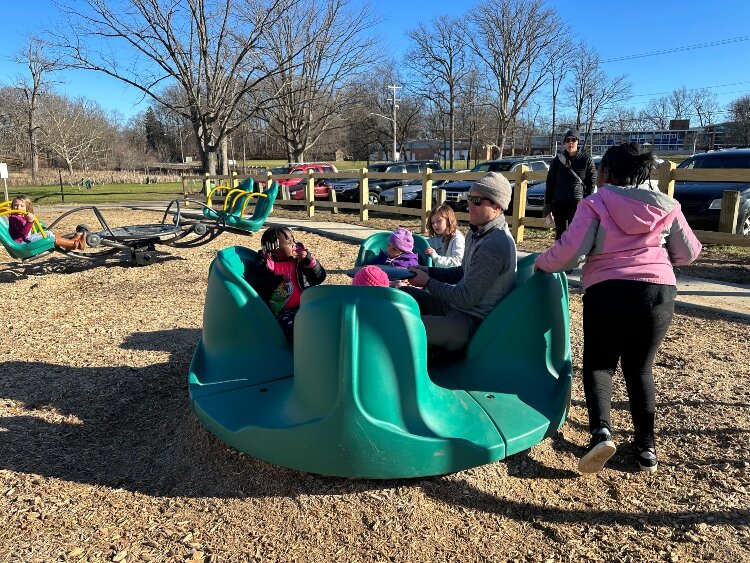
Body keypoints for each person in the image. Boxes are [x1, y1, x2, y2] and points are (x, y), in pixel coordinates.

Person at [535, 143, 702, 474]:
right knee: (640, 369)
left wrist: (541, 264)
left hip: (607, 289)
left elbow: (571, 251)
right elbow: (688, 253)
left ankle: (601, 432)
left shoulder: (595, 203)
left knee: (600, 364)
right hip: (657, 292)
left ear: (607, 173)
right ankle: (646, 449)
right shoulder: (668, 206)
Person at [402, 172, 517, 351]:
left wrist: (427, 282)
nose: (470, 206)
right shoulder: (477, 231)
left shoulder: (495, 244)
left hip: (471, 322)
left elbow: (466, 299)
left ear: (497, 205)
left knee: (400, 325)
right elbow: (461, 272)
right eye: (470, 198)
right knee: (402, 295)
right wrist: (428, 271)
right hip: (456, 308)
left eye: (477, 201)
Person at [244, 226, 326, 342]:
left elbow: (319, 278)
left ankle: (320, 337)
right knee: (292, 326)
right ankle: (301, 345)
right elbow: (256, 286)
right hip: (283, 312)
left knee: (323, 317)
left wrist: (310, 263)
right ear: (275, 250)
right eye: (288, 243)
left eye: (293, 240)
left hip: (306, 304)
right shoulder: (265, 265)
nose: (294, 244)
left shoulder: (300, 261)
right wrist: (275, 280)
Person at [543, 128, 597, 240]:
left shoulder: (586, 159)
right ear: (564, 143)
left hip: (577, 203)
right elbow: (550, 183)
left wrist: (587, 202)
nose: (570, 143)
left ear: (578, 142)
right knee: (560, 234)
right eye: (567, 140)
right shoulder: (557, 160)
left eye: (573, 140)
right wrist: (547, 207)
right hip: (558, 203)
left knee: (576, 234)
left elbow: (591, 182)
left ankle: (574, 257)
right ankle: (559, 256)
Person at [8, 195, 86, 251]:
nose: (18, 208)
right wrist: (30, 221)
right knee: (49, 236)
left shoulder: (20, 217)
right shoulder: (14, 218)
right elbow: (24, 233)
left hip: (25, 240)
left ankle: (72, 244)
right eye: (16, 205)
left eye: (22, 206)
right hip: (23, 243)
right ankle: (74, 244)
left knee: (49, 233)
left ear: (27, 208)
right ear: (12, 206)